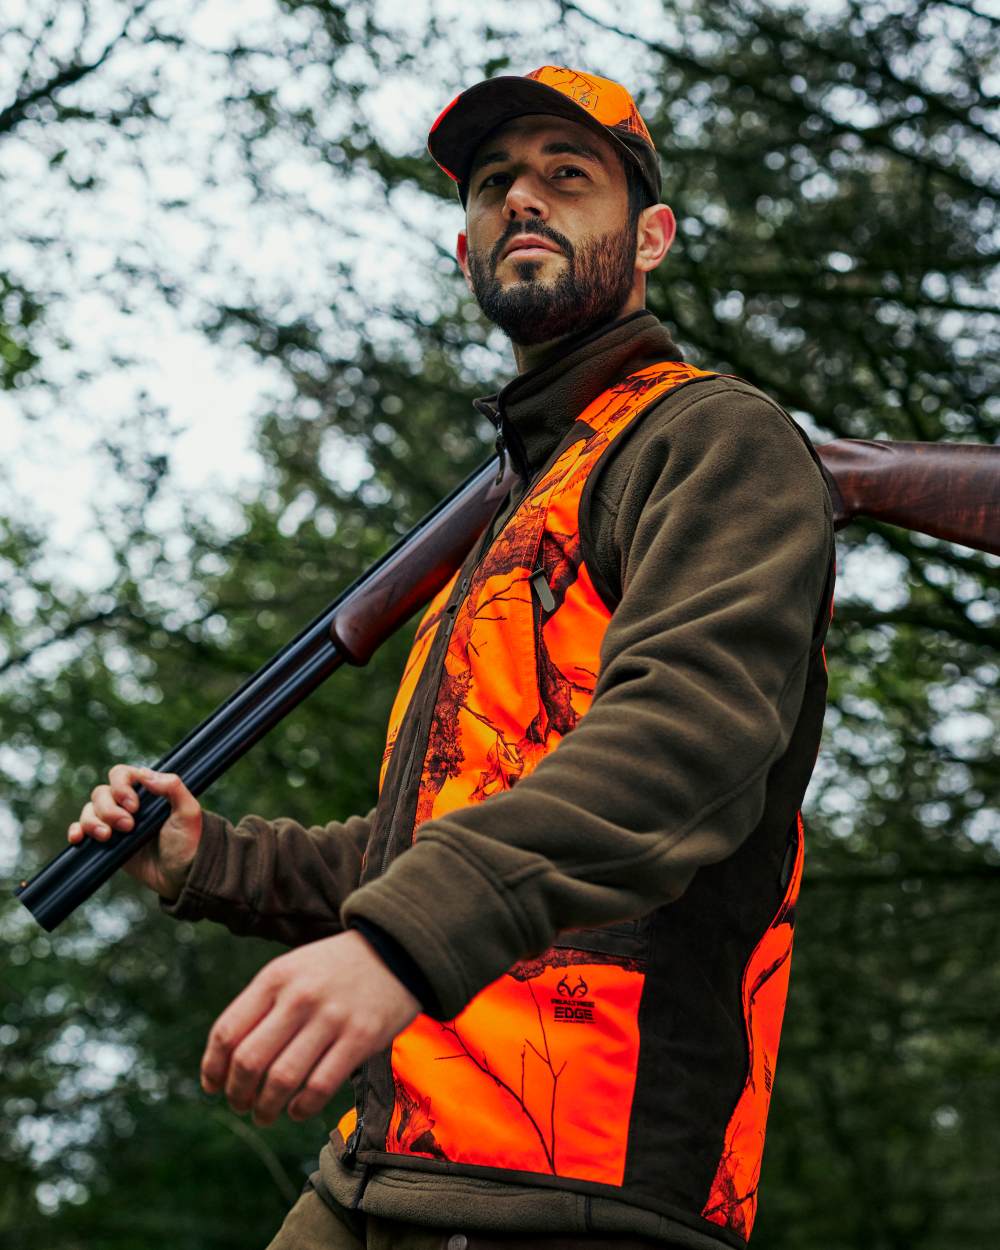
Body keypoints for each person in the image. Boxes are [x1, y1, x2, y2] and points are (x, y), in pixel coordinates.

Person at [70, 67, 835, 1250]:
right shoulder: (511, 516)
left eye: (564, 175)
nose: (521, 198)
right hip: (385, 1156)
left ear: (652, 237)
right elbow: (434, 835)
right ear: (462, 248)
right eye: (493, 185)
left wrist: (394, 940)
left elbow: (689, 744)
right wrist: (207, 853)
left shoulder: (710, 437)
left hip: (579, 1182)